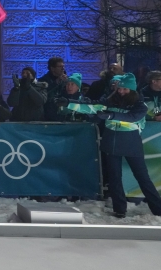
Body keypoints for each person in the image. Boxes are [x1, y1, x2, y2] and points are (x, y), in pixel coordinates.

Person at [65, 73, 161, 218]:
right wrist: (67, 103)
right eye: (119, 89)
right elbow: (91, 107)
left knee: (142, 177)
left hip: (131, 145)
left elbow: (132, 117)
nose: (121, 91)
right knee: (114, 178)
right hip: (111, 143)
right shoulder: (110, 101)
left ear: (132, 90)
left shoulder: (140, 105)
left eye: (125, 89)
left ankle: (158, 209)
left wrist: (111, 116)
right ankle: (119, 209)